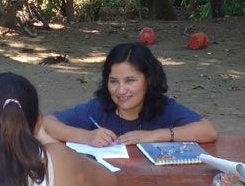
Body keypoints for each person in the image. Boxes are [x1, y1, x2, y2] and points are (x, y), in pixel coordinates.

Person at [42, 42, 218, 147]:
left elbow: (208, 131)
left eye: (130, 81)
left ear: (148, 80)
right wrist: (86, 136)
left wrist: (155, 135)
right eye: (113, 81)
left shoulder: (164, 108)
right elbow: (48, 123)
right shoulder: (99, 107)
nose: (120, 90)